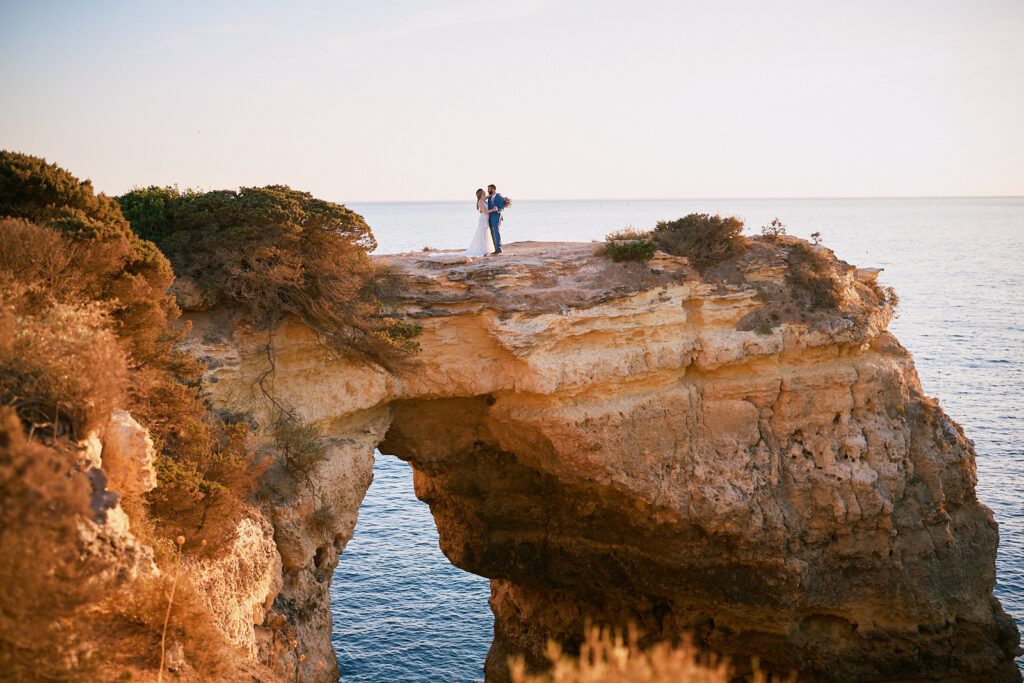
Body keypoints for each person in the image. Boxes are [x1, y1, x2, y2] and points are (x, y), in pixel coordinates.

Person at [464, 188, 497, 256]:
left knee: (486, 233)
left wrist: (494, 194)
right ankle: (483, 250)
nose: (485, 193)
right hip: (483, 219)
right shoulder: (480, 202)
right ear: (481, 194)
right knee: (483, 234)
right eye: (483, 192)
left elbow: (489, 196)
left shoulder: (483, 199)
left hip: (486, 218)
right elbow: (485, 211)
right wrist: (493, 210)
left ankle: (486, 249)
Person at [486, 184, 506, 254]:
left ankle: (499, 248)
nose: (488, 190)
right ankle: (495, 248)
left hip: (496, 217)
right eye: (488, 189)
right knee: (492, 232)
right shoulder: (489, 197)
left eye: (489, 189)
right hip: (490, 217)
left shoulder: (499, 197)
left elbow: (502, 207)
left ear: (494, 189)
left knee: (496, 231)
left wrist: (497, 210)